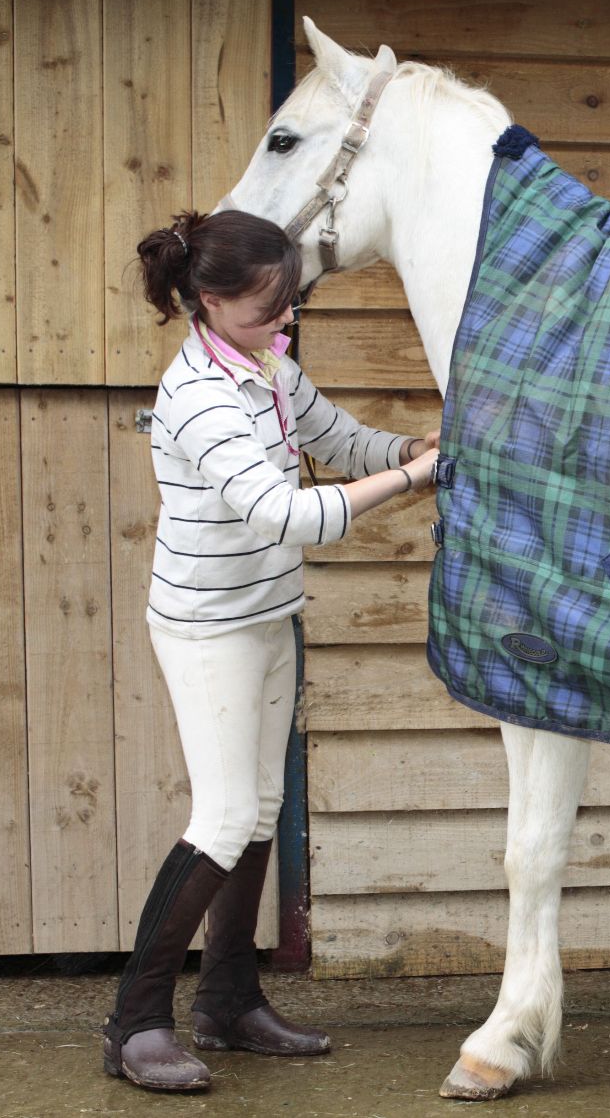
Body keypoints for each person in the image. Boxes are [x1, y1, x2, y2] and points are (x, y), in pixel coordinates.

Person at [106, 208, 438, 1092]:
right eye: (266, 311)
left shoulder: (264, 364)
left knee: (259, 809)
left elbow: (337, 441)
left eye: (291, 306)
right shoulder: (200, 396)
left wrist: (413, 445)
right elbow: (285, 513)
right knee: (221, 819)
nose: (284, 324)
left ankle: (226, 1003)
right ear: (206, 303)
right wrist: (411, 480)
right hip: (208, 626)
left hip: (269, 612)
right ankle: (134, 1025)